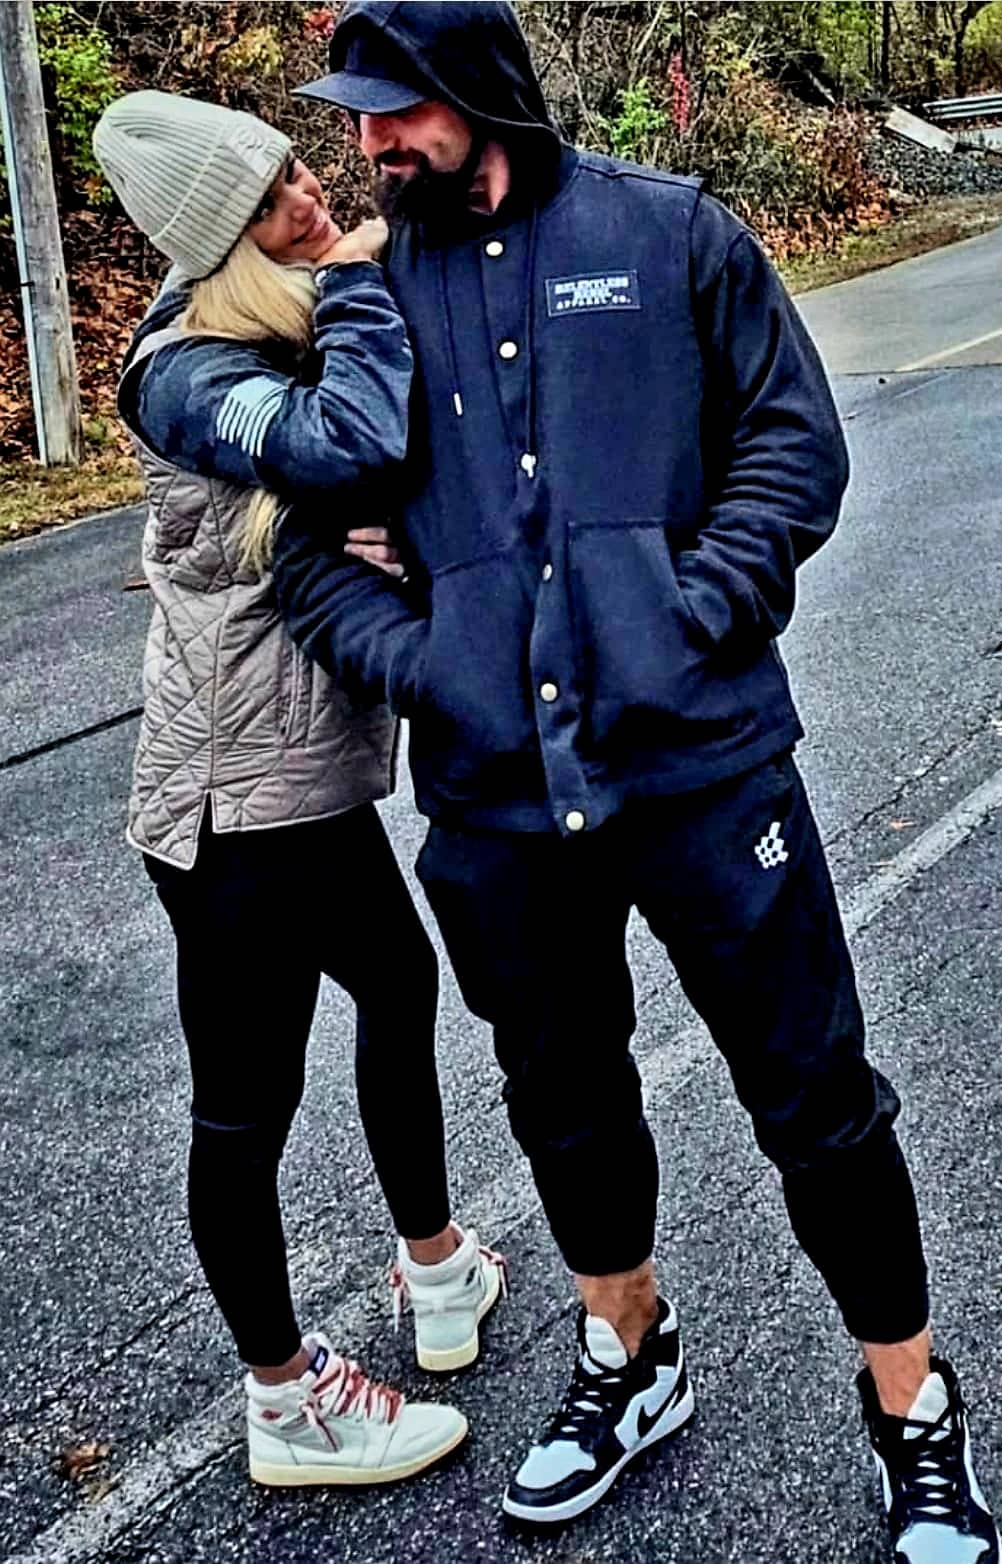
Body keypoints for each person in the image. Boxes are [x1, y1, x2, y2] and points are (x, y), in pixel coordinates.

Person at [272, 3, 1002, 1556]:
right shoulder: (365, 299)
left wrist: (691, 609)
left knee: (817, 1099)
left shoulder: (668, 235)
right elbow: (308, 556)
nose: (368, 142)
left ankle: (911, 1406)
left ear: (476, 91)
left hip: (704, 768)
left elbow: (791, 446)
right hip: (494, 802)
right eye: (357, 113)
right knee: (564, 1099)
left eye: (394, 109)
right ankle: (629, 1352)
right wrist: (432, 665)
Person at [91, 88, 505, 1491]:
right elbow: (348, 446)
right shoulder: (183, 371)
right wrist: (356, 282)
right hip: (229, 803)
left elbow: (332, 480)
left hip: (301, 779)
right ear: (219, 241)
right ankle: (285, 1403)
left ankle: (435, 1270)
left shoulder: (266, 324)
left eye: (294, 171)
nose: (307, 198)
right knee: (243, 1105)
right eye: (268, 199)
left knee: (397, 987)